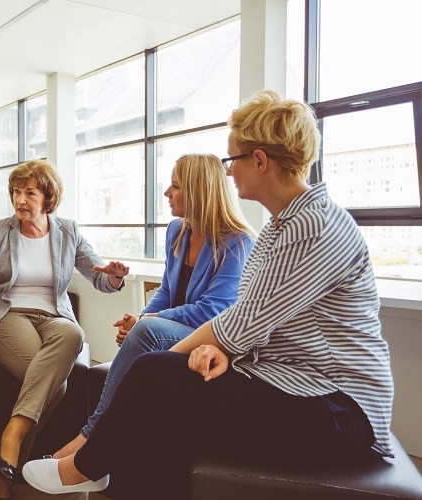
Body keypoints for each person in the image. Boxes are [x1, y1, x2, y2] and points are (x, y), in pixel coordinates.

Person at [22, 90, 394, 499]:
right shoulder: (278, 227)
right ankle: (99, 466)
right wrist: (217, 351)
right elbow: (253, 321)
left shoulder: (310, 227)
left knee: (154, 373)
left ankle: (86, 464)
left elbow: (238, 322)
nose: (229, 173)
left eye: (232, 160)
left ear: (260, 160)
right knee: (163, 402)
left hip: (338, 406)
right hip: (289, 382)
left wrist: (210, 348)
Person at [0, 159, 129, 499]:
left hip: (53, 318)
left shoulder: (67, 231)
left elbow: (98, 275)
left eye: (30, 192)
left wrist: (114, 276)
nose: (20, 199)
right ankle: (15, 452)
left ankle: (8, 450)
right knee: (51, 381)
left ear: (48, 197)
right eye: (16, 192)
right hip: (8, 315)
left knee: (74, 334)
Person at [53, 153, 254, 459]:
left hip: (211, 338)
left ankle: (90, 439)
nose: (166, 193)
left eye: (175, 186)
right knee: (144, 329)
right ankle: (112, 442)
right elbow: (168, 290)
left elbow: (213, 311)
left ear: (198, 191)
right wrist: (141, 318)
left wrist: (149, 322)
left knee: (147, 330)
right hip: (176, 330)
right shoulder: (177, 230)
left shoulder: (237, 242)